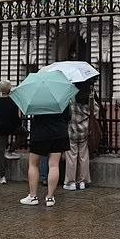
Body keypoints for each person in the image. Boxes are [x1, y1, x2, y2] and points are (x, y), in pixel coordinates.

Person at [20, 80, 70, 208]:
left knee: (33, 163)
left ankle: (33, 196)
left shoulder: (35, 97)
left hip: (40, 133)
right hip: (59, 132)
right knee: (54, 165)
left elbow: (29, 112)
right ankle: (50, 197)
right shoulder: (62, 96)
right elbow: (68, 116)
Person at [64, 79, 98, 191]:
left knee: (71, 158)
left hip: (72, 130)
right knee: (84, 157)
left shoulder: (70, 96)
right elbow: (95, 111)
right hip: (84, 130)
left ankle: (71, 182)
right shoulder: (89, 97)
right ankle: (83, 181)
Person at [0, 80, 20, 184]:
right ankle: (11, 150)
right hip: (12, 126)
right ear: (9, 89)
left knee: (0, 151)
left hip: (0, 127)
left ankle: (2, 175)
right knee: (24, 133)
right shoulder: (13, 101)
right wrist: (18, 125)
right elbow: (15, 117)